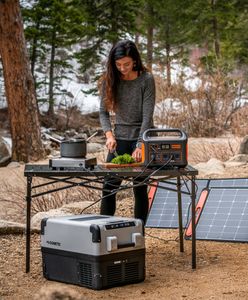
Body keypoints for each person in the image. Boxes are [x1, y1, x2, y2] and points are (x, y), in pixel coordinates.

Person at [99, 39, 155, 224]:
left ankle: (139, 235)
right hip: (120, 138)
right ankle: (103, 232)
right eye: (118, 64)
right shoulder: (109, 79)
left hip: (143, 136)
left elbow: (147, 117)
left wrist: (140, 144)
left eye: (126, 64)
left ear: (135, 61)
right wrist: (109, 135)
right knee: (109, 187)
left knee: (139, 187)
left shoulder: (146, 79)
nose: (122, 68)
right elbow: (103, 112)